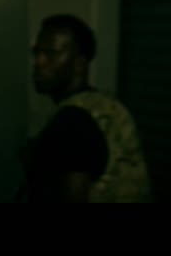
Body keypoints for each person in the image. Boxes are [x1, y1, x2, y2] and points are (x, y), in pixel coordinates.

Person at [19, 14, 152, 203]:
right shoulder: (106, 105)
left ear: (79, 64)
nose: (39, 62)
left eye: (51, 53)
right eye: (37, 52)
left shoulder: (72, 121)